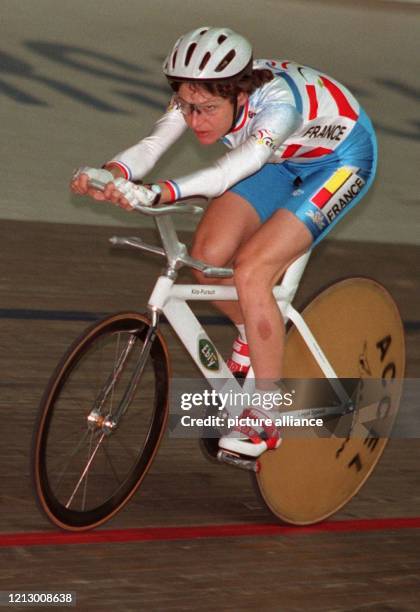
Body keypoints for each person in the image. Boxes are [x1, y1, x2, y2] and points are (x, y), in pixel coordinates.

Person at [71, 26, 377, 458]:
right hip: (278, 161)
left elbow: (229, 172)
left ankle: (267, 417)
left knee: (252, 270)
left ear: (239, 95)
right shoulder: (199, 94)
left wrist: (157, 192)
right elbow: (154, 143)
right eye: (188, 107)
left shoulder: (279, 108)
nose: (196, 120)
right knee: (206, 256)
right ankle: (253, 338)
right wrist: (113, 174)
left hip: (337, 161)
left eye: (208, 110)